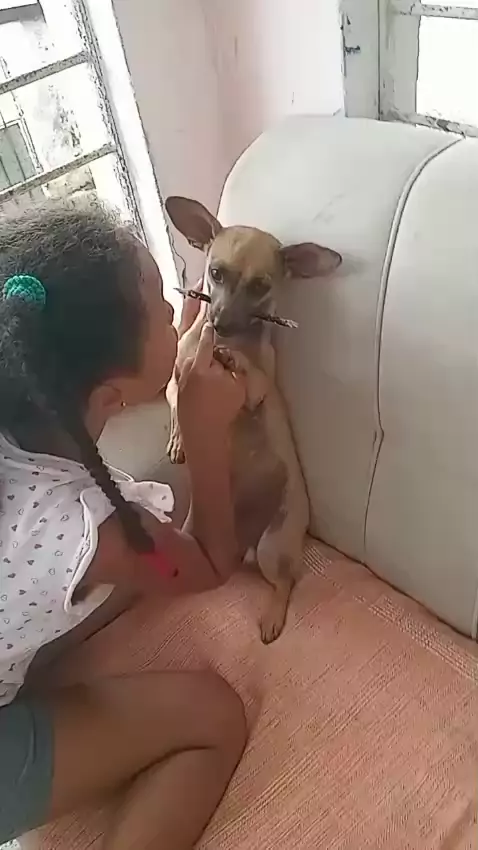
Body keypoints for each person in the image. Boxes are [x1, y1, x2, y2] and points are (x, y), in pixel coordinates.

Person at [0, 199, 247, 848]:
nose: (176, 306)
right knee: (213, 716)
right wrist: (203, 427)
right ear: (110, 396)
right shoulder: (87, 527)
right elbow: (209, 562)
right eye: (162, 310)